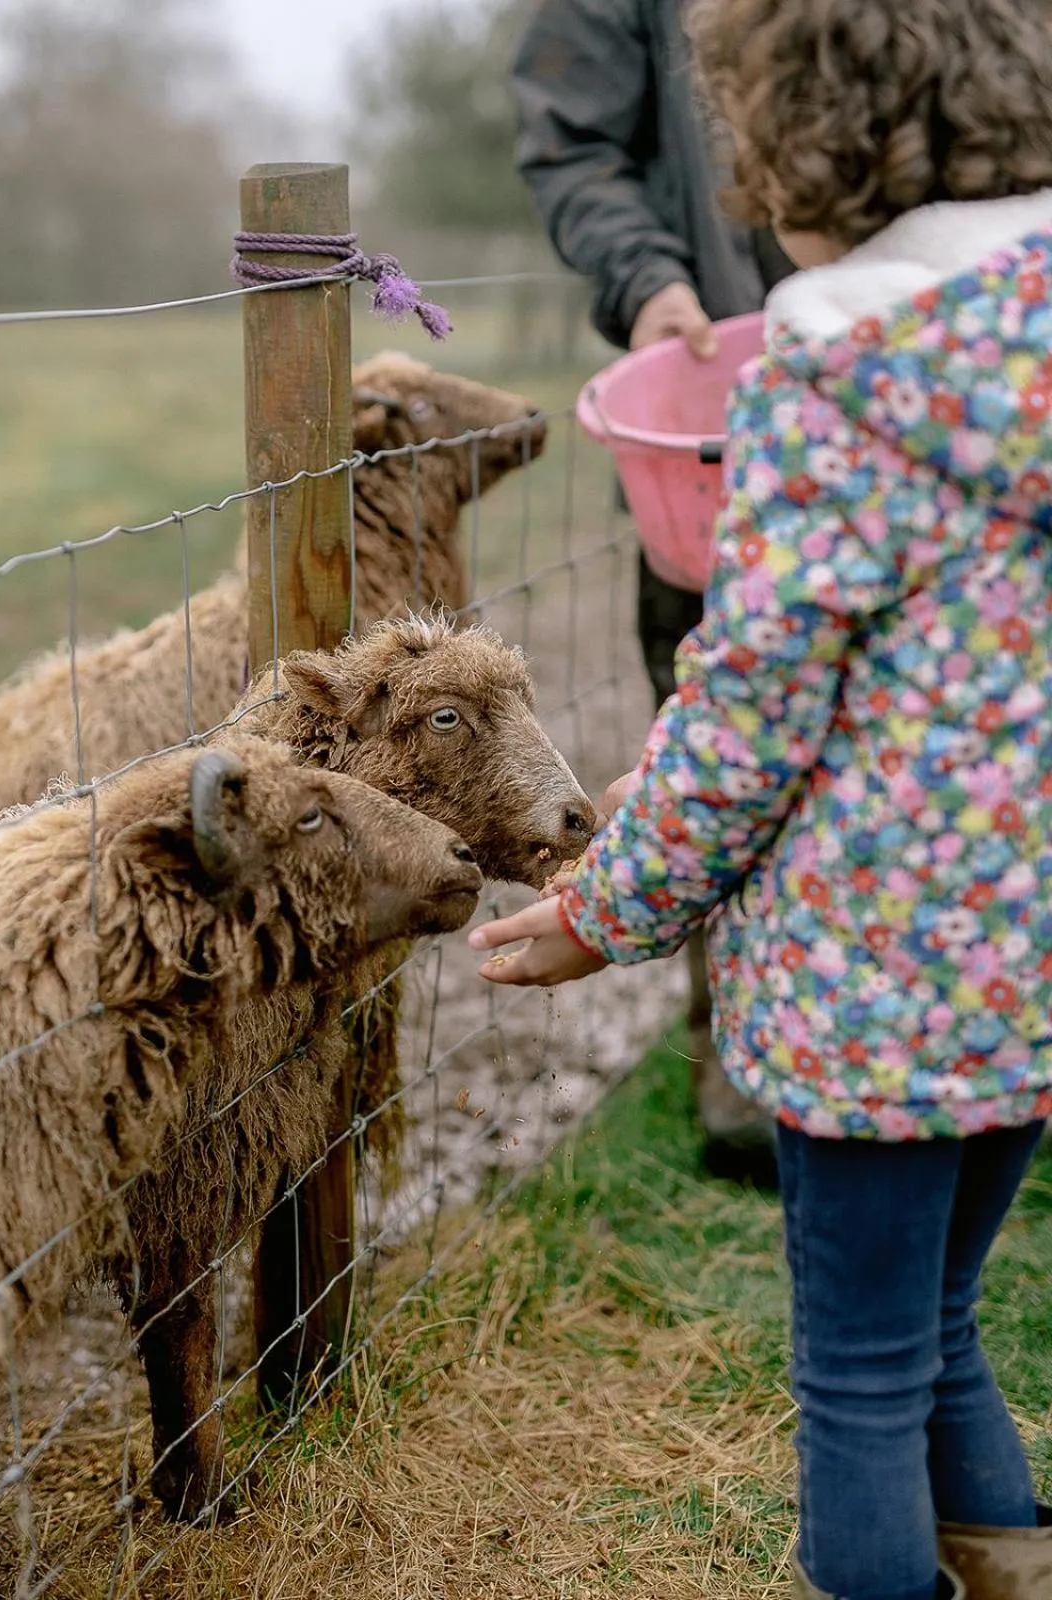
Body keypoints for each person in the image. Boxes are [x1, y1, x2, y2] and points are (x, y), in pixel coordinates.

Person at [477, 0, 1052, 1594]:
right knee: (938, 1321)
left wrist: (607, 909)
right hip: (1038, 974)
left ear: (802, 140)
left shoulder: (827, 370)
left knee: (861, 1375)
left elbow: (743, 719)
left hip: (876, 985)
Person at [511, 0, 796, 1185]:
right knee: (724, 733)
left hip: (929, 383)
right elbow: (571, 136)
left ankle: (962, 1049)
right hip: (710, 424)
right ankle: (746, 1073)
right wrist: (647, 278)